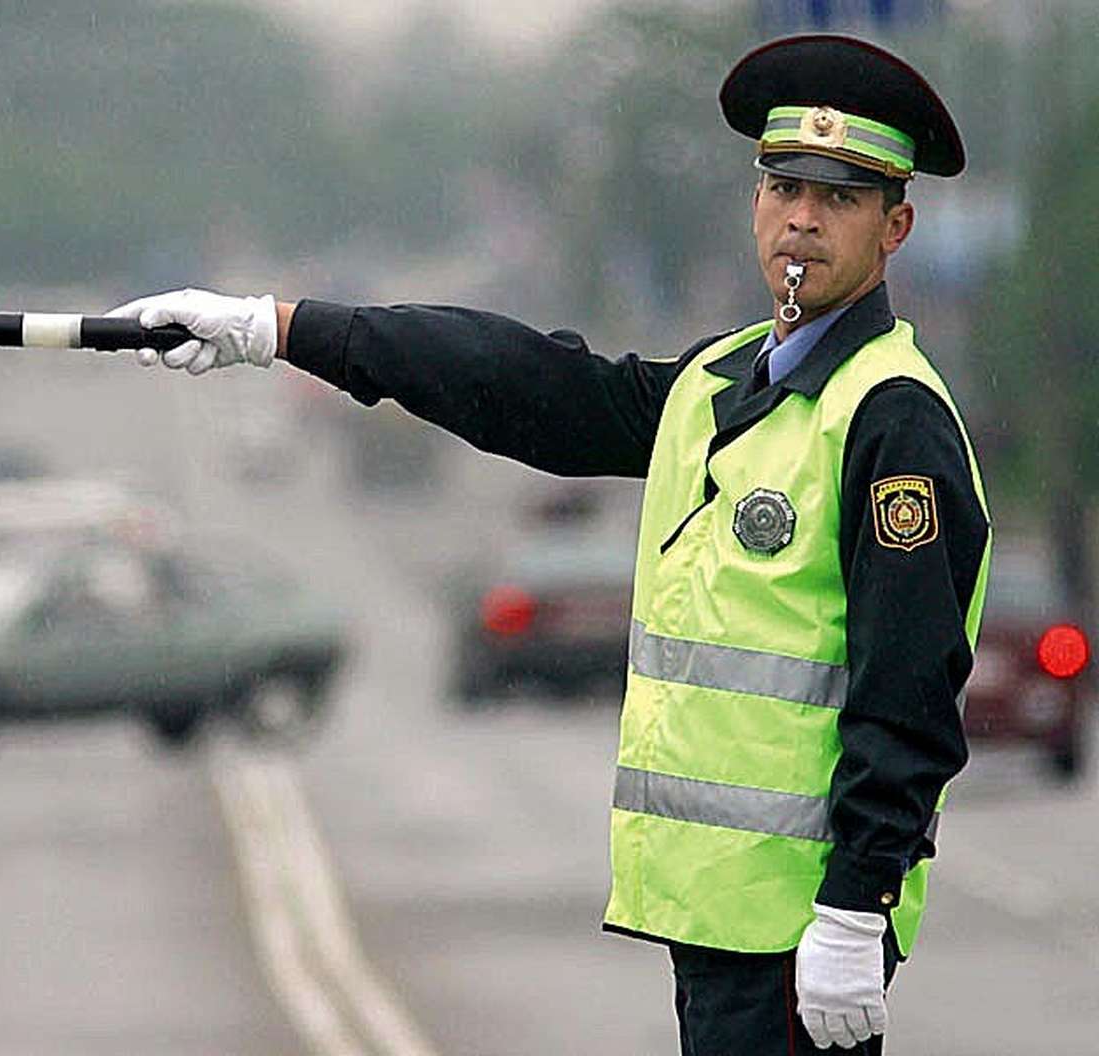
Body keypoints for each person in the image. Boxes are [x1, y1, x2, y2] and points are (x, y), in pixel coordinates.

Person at [106, 33, 991, 1055]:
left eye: (837, 198)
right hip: (717, 922)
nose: (800, 217)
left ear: (895, 227)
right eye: (782, 185)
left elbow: (907, 690)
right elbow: (528, 387)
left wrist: (856, 904)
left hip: (799, 934)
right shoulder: (722, 381)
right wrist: (279, 327)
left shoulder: (889, 419)